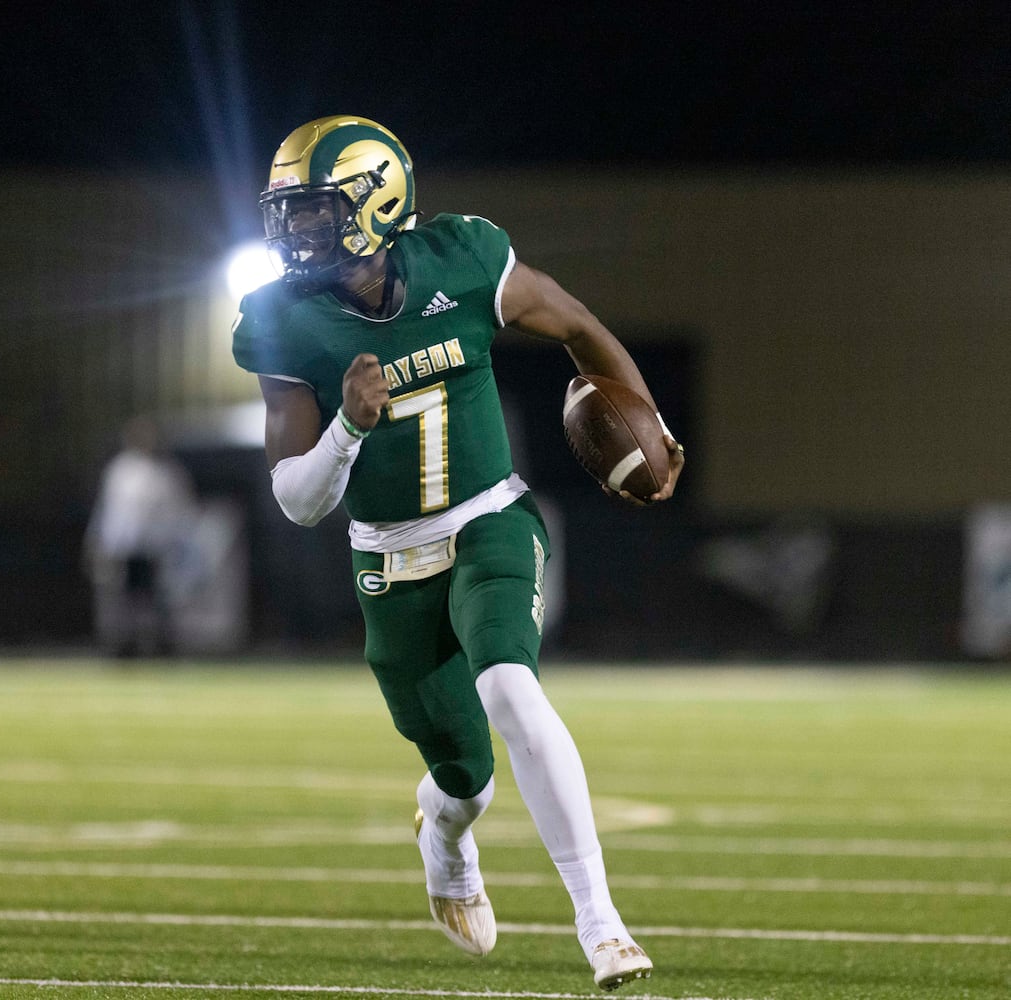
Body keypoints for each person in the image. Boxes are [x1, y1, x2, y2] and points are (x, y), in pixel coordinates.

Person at [231, 115, 684, 991]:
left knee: (511, 686)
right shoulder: (279, 320)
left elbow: (577, 324)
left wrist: (649, 426)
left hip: (488, 518)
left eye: (317, 213)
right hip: (389, 556)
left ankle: (600, 923)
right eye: (289, 214)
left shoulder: (466, 259)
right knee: (463, 775)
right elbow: (295, 500)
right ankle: (442, 835)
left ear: (376, 202)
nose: (296, 232)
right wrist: (348, 429)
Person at [83, 415, 196, 656]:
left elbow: (181, 511)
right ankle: (124, 646)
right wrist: (97, 542)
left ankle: (158, 646)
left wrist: (178, 544)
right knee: (123, 599)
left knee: (156, 598)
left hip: (155, 547)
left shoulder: (165, 473)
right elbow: (107, 510)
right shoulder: (119, 470)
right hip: (124, 547)